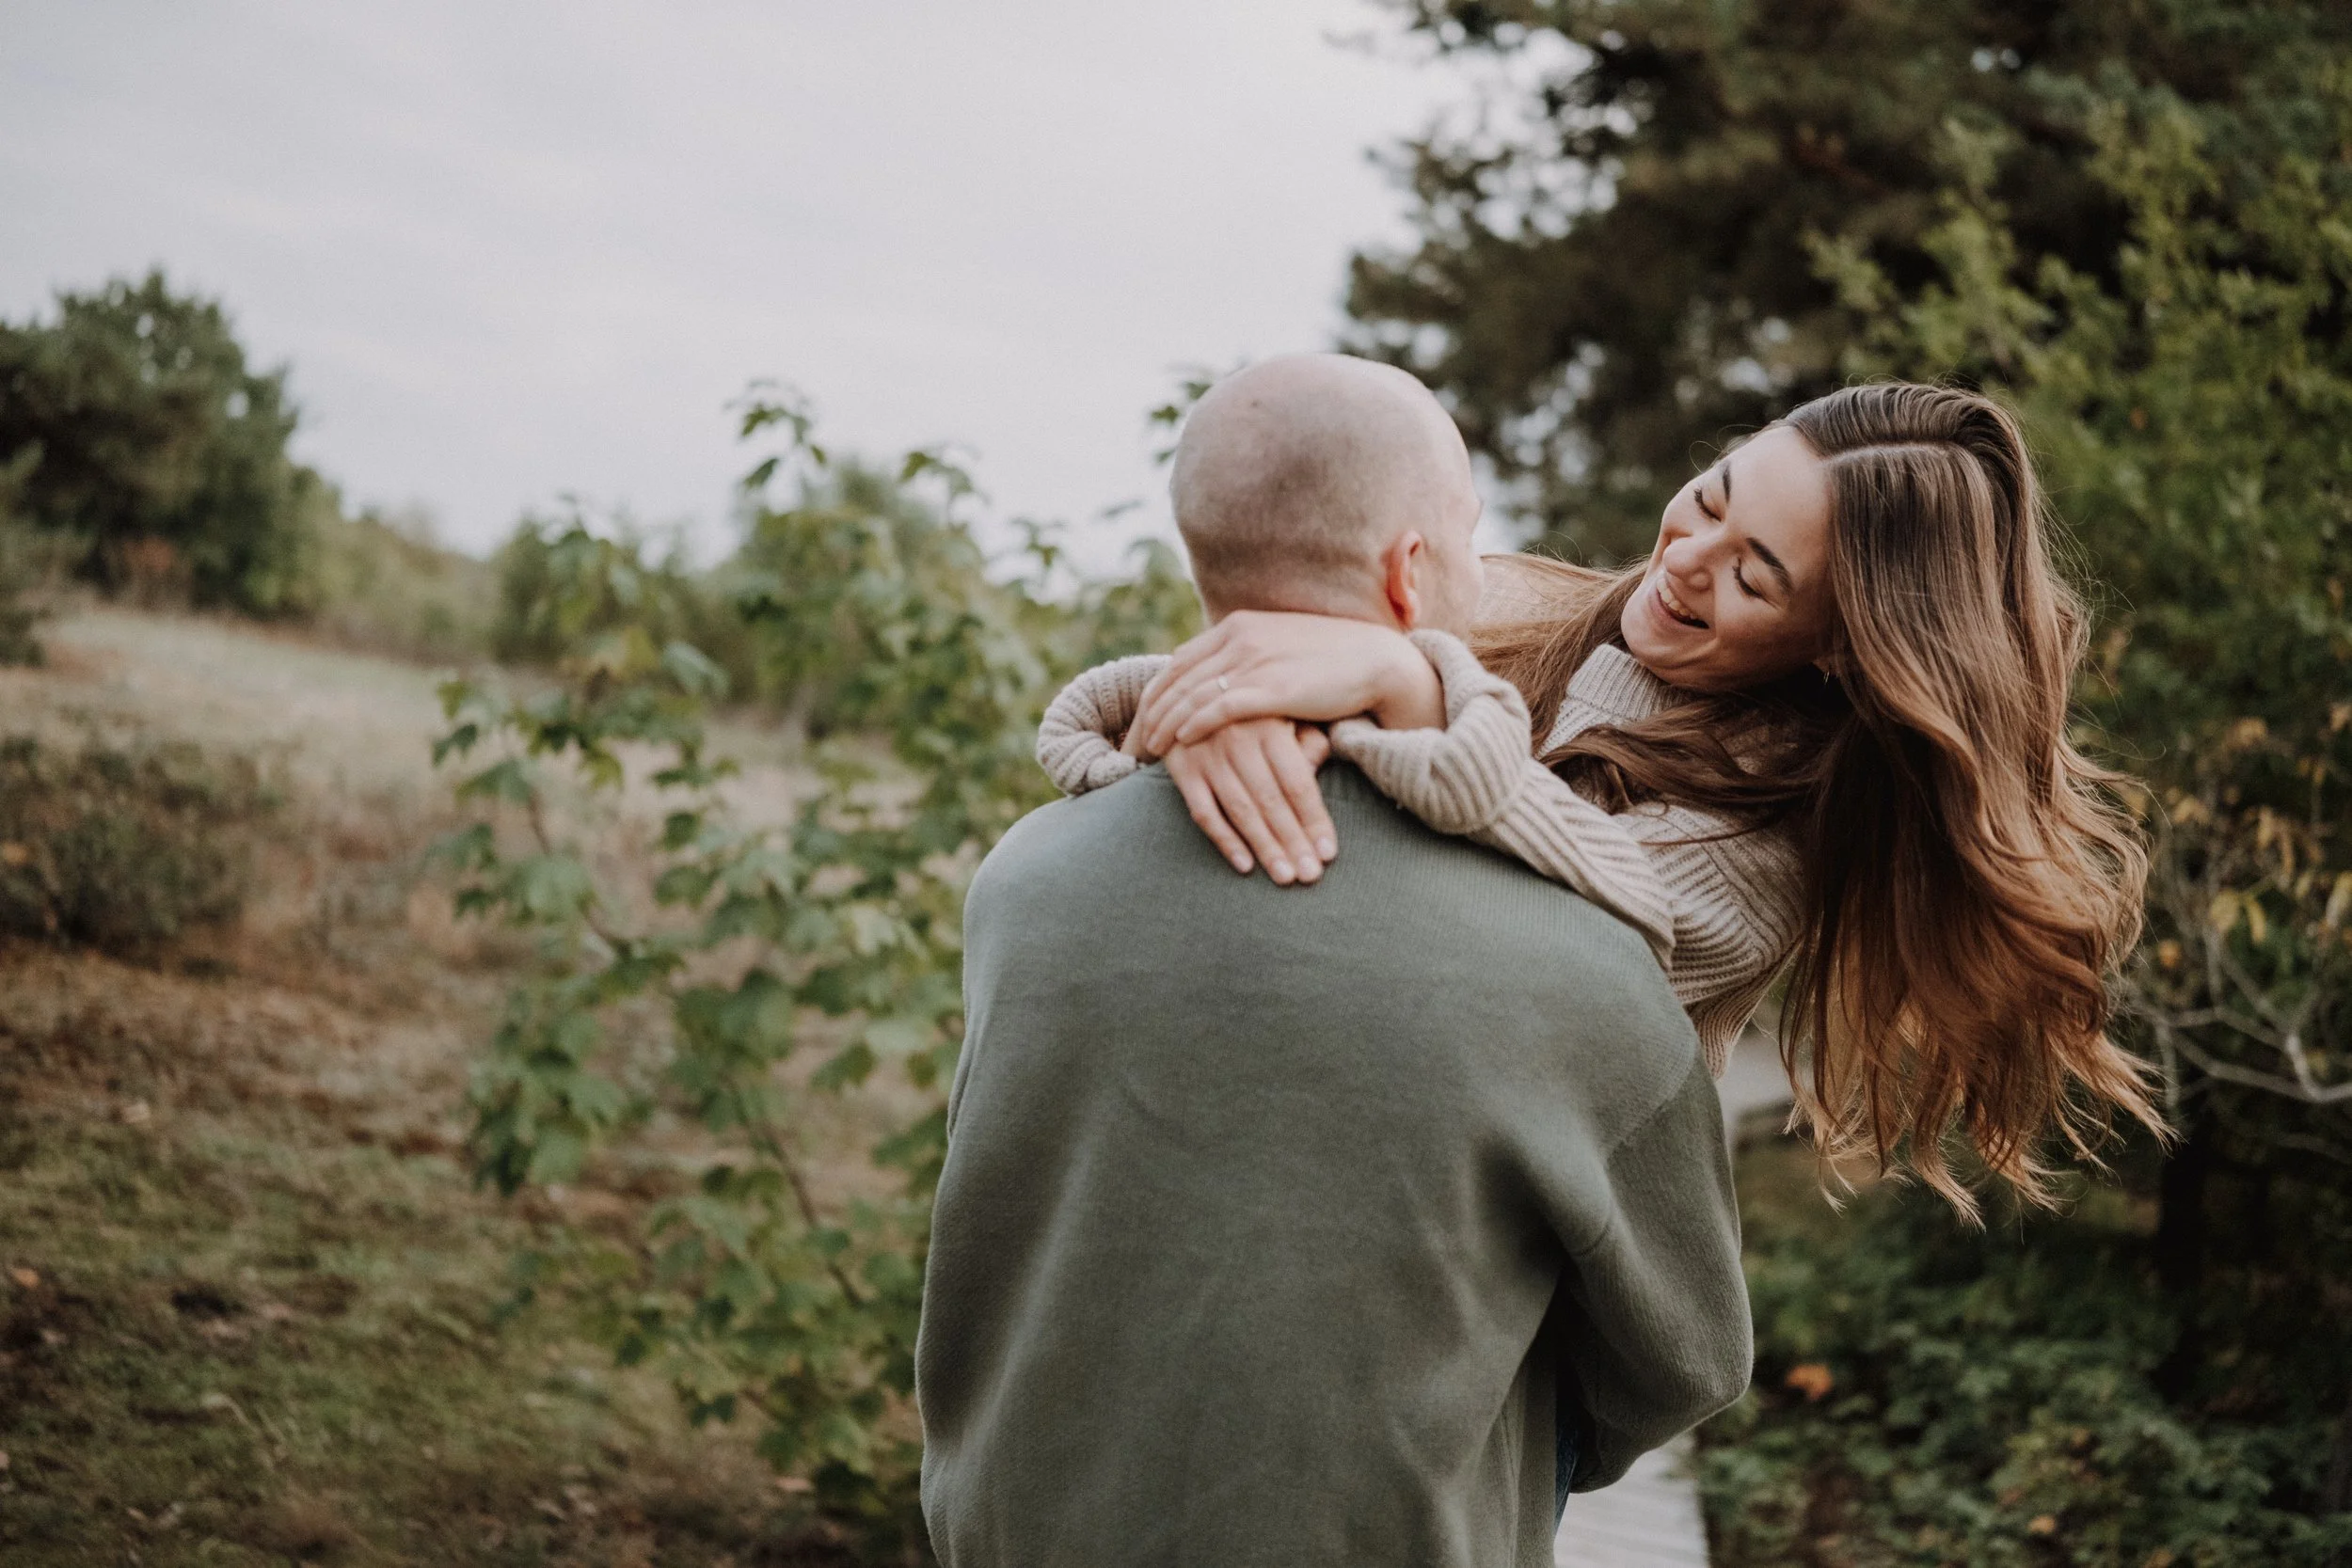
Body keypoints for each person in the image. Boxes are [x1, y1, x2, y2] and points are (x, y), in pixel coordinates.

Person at [916, 355, 1753, 1568]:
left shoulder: (1024, 881)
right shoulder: (1584, 960)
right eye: (1468, 531)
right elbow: (1686, 1356)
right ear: (1410, 571)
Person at [1041, 377, 2159, 1213]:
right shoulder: (1512, 599)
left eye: (1753, 573)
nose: (1686, 558)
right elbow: (1210, 713)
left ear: (1836, 646)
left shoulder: (1752, 859)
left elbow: (1499, 950)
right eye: (1709, 499)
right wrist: (1218, 718)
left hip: (1472, 1281)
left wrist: (1411, 698)